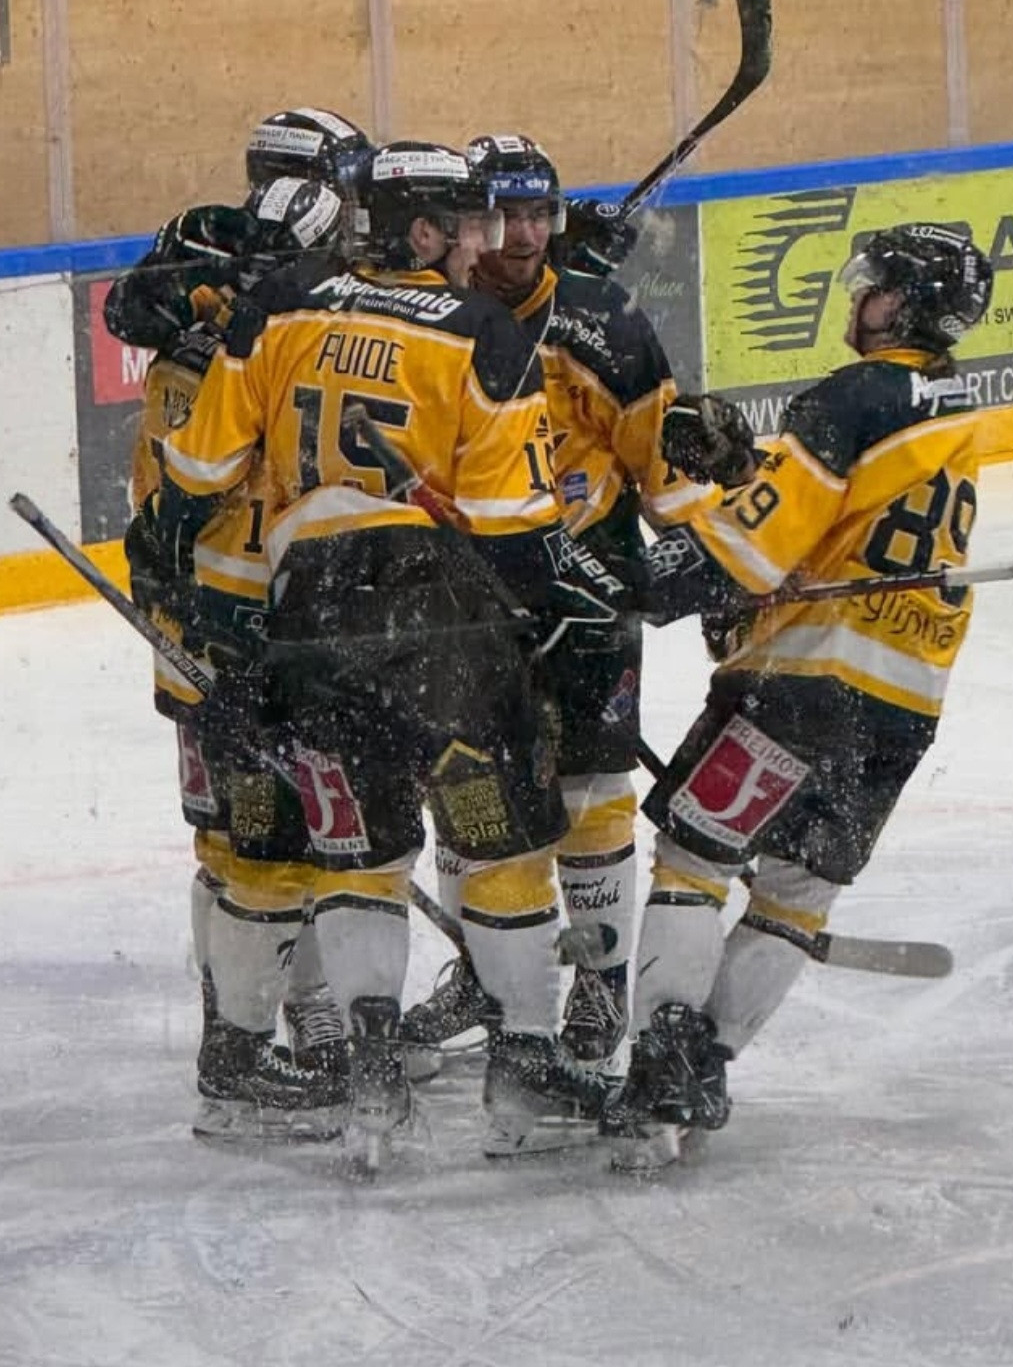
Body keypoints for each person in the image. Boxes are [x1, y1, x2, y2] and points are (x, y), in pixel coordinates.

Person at [152, 142, 620, 1163]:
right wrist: (565, 603)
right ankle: (523, 1073)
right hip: (436, 619)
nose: (486, 245)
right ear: (424, 231)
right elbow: (511, 527)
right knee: (500, 845)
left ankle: (371, 1083)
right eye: (470, 225)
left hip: (306, 615)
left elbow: (199, 470)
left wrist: (177, 575)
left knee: (357, 851)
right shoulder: (481, 332)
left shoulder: (280, 305)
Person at [599, 222, 994, 1170]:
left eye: (878, 286)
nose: (861, 298)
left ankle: (660, 1070)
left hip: (803, 683)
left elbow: (752, 551)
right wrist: (745, 472)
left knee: (696, 860)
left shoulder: (856, 394)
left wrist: (640, 581)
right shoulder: (953, 404)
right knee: (795, 894)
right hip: (904, 706)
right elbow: (835, 522)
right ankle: (707, 1063)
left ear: (908, 306)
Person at [401, 133, 752, 1081]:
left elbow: (668, 475)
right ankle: (486, 975)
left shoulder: (604, 323)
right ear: (463, 224)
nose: (521, 237)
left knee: (592, 794)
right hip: (462, 600)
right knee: (467, 796)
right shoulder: (431, 316)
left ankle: (599, 983)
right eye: (501, 217)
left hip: (587, 595)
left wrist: (717, 585)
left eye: (537, 215)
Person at [106, 109, 373, 1136]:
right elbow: (135, 308)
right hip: (226, 604)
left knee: (255, 839)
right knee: (252, 838)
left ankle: (277, 1019)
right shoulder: (216, 280)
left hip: (228, 599)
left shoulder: (277, 305)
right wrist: (212, 293)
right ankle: (242, 1041)